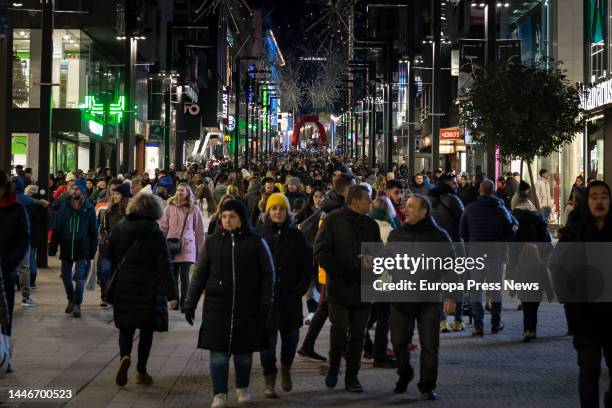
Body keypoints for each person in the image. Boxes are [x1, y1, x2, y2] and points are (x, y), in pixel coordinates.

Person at [183, 200, 274, 408]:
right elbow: (200, 275)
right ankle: (220, 394)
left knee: (243, 354)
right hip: (217, 306)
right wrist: (190, 302)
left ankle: (242, 387)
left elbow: (268, 274)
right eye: (224, 216)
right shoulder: (213, 242)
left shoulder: (256, 242)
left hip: (247, 306)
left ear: (241, 218)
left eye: (232, 216)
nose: (227, 220)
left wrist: (265, 301)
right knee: (218, 356)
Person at [315, 184, 381, 392]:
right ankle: (334, 367)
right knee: (339, 332)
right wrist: (346, 268)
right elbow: (321, 252)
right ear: (354, 201)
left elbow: (378, 254)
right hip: (340, 288)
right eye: (367, 198)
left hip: (364, 288)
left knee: (358, 335)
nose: (371, 202)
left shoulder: (371, 225)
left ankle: (352, 376)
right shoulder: (333, 221)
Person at [552, 180, 612, 408]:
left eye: (604, 196)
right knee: (589, 371)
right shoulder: (574, 232)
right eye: (594, 196)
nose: (599, 201)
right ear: (586, 201)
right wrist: (569, 301)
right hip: (585, 318)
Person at [388, 194, 454, 400]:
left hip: (429, 300)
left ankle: (427, 386)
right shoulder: (396, 235)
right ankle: (405, 371)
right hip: (401, 298)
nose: (405, 210)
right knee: (398, 342)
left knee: (429, 345)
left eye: (411, 207)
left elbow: (451, 268)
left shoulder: (440, 236)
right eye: (405, 206)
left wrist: (451, 296)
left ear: (423, 211)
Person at [109, 193, 178, 387]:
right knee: (146, 331)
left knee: (126, 327)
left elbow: (110, 255)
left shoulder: (120, 227)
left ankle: (124, 356)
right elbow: (165, 265)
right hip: (149, 287)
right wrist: (172, 294)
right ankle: (141, 371)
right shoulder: (155, 232)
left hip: (124, 284)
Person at [257, 193, 311, 398]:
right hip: (267, 298)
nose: (278, 212)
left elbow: (307, 265)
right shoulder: (260, 234)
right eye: (274, 208)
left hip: (290, 297)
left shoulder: (297, 236)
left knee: (290, 340)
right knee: (267, 344)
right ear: (268, 212)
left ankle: (286, 368)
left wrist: (300, 287)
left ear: (287, 212)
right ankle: (269, 379)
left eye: (281, 208)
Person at [296, 173, 355, 362]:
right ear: (346, 188)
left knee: (325, 307)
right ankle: (350, 349)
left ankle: (308, 346)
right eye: (353, 185)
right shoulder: (335, 208)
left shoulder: (331, 203)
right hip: (334, 266)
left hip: (332, 266)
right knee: (346, 308)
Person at [460, 179, 517, 336]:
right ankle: (495, 323)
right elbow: (510, 231)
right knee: (495, 291)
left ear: (480, 190)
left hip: (476, 255)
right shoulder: (501, 209)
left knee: (475, 291)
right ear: (492, 191)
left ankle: (478, 326)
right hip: (495, 255)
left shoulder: (469, 209)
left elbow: (462, 233)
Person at [49, 179, 98, 318]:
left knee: (80, 277)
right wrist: (53, 246)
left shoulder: (88, 208)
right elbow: (57, 228)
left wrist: (92, 250)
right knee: (66, 277)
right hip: (66, 245)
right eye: (72, 188)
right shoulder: (64, 207)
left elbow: (93, 231)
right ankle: (71, 298)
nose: (73, 191)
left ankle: (77, 304)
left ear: (82, 191)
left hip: (82, 246)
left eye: (77, 189)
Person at [428, 173, 465, 332]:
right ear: (448, 183)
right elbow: (463, 221)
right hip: (454, 246)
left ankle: (441, 321)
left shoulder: (428, 200)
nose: (456, 185)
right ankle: (458, 320)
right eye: (454, 182)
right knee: (458, 283)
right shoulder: (453, 200)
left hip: (434, 247)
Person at [159, 183, 205, 311]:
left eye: (182, 190)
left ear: (188, 193)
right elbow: (163, 227)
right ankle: (174, 301)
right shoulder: (169, 207)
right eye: (178, 190)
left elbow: (199, 230)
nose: (179, 192)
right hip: (171, 245)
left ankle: (185, 302)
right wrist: (160, 244)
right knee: (173, 275)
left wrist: (202, 250)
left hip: (187, 245)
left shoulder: (194, 209)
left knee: (185, 275)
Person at [0, 170, 29, 343]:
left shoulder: (16, 209)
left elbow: (23, 240)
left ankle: (5, 353)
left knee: (5, 316)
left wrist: (9, 264)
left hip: (5, 271)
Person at [98, 183, 132, 308]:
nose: (114, 196)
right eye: (114, 193)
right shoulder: (109, 211)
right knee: (105, 272)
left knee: (118, 273)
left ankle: (115, 297)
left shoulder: (130, 212)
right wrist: (105, 239)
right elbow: (102, 228)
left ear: (125, 196)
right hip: (108, 247)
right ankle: (104, 297)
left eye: (118, 194)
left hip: (125, 249)